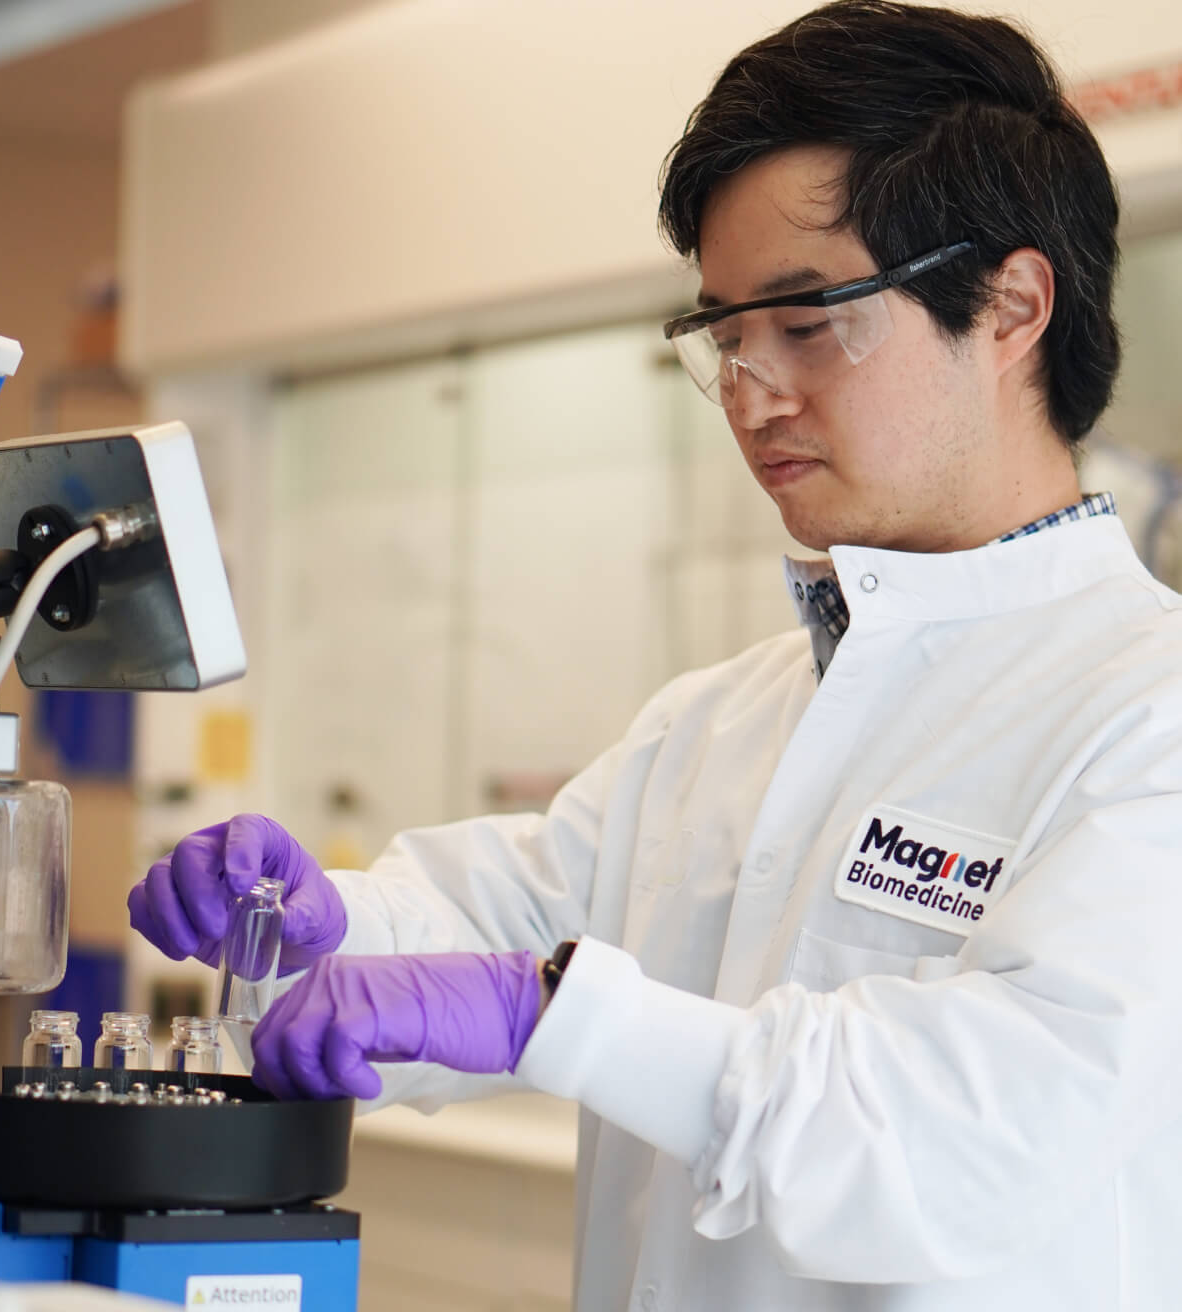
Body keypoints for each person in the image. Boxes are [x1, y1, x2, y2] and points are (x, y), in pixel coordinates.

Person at [128, 3, 1182, 1307]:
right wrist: (324, 922)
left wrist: (556, 1013)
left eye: (809, 322)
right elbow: (509, 921)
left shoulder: (1147, 719)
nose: (752, 391)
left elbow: (966, 1136)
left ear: (1013, 306)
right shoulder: (720, 721)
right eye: (726, 334)